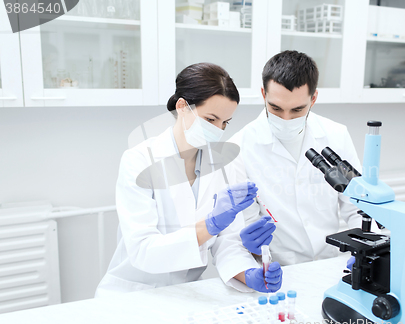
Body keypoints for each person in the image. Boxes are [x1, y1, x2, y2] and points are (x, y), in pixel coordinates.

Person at [95, 63, 282, 297]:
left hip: (188, 292)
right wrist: (209, 226)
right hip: (134, 293)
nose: (218, 130)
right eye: (210, 119)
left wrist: (248, 273)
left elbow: (227, 242)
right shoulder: (140, 160)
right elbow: (143, 251)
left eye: (225, 122)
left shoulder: (227, 163)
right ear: (182, 106)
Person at [230, 51, 363, 266]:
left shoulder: (336, 135)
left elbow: (356, 205)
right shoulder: (240, 147)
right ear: (263, 94)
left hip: (328, 262)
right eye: (276, 108)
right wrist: (256, 257)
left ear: (314, 98)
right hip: (280, 268)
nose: (286, 119)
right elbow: (249, 223)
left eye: (298, 109)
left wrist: (363, 253)